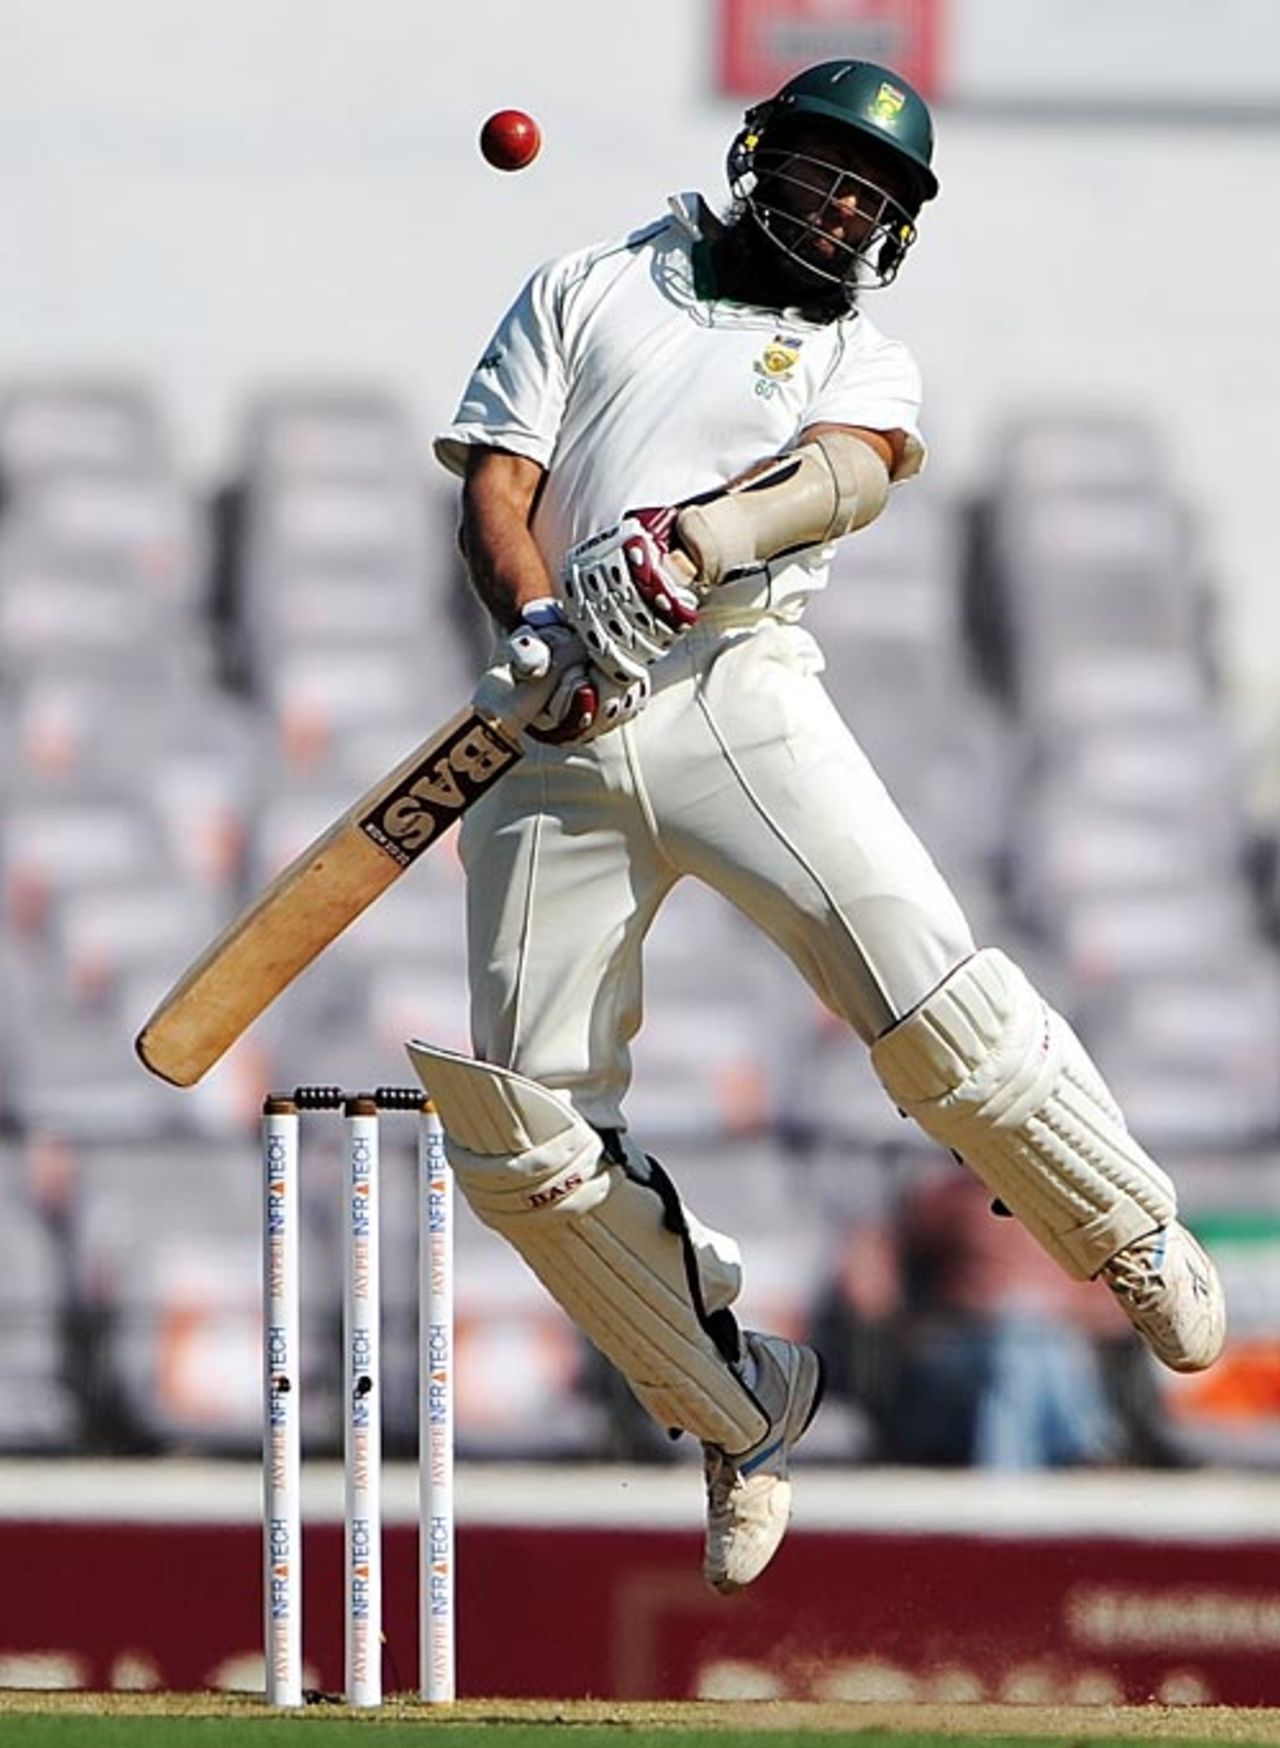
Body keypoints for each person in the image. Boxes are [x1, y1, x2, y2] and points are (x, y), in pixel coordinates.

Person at [411, 59, 1226, 1594]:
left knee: (928, 998)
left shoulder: (862, 355)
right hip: (553, 727)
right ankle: (736, 1409)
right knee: (523, 1132)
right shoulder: (589, 287)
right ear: (756, 157)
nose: (848, 210)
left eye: (879, 198)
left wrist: (685, 547)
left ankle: (1124, 1228)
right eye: (829, 174)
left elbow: (846, 476)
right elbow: (500, 483)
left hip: (734, 685)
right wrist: (532, 622)